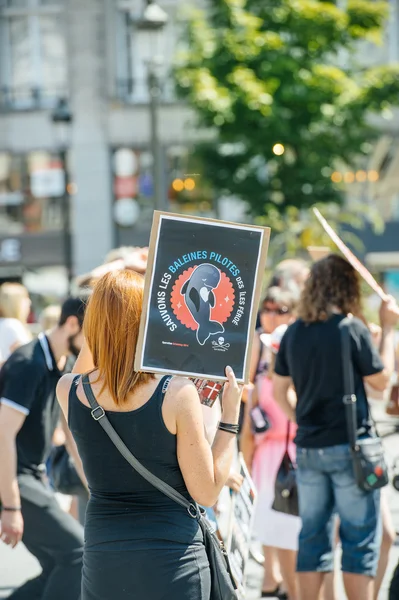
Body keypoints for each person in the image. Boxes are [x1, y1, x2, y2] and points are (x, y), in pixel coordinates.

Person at [56, 269, 243, 600]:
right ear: (149, 323)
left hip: (104, 560)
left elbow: (90, 363)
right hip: (173, 560)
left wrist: (102, 319)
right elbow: (207, 492)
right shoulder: (176, 394)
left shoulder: (69, 390)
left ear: (92, 324)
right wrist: (230, 418)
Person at [273, 254, 399, 600]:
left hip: (310, 448)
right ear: (346, 287)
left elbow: (278, 388)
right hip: (350, 447)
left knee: (312, 537)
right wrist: (388, 329)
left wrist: (301, 419)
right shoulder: (349, 328)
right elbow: (381, 382)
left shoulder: (295, 332)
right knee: (359, 542)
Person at [0, 297, 87, 600]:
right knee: (78, 554)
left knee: (59, 563)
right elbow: (3, 436)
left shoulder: (65, 364)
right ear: (72, 324)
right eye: (91, 333)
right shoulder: (28, 363)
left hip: (32, 475)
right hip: (13, 477)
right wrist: (10, 506)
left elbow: (70, 431)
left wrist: (92, 482)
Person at [241, 287, 300, 600]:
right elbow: (246, 389)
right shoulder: (258, 345)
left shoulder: (297, 345)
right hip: (265, 449)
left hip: (293, 449)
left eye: (280, 309)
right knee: (269, 522)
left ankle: (288, 588)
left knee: (291, 532)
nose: (271, 314)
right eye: (266, 308)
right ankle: (271, 582)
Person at [0, 283, 32, 364]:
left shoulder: (4, 323)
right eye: (25, 298)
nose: (29, 302)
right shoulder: (13, 325)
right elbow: (29, 358)